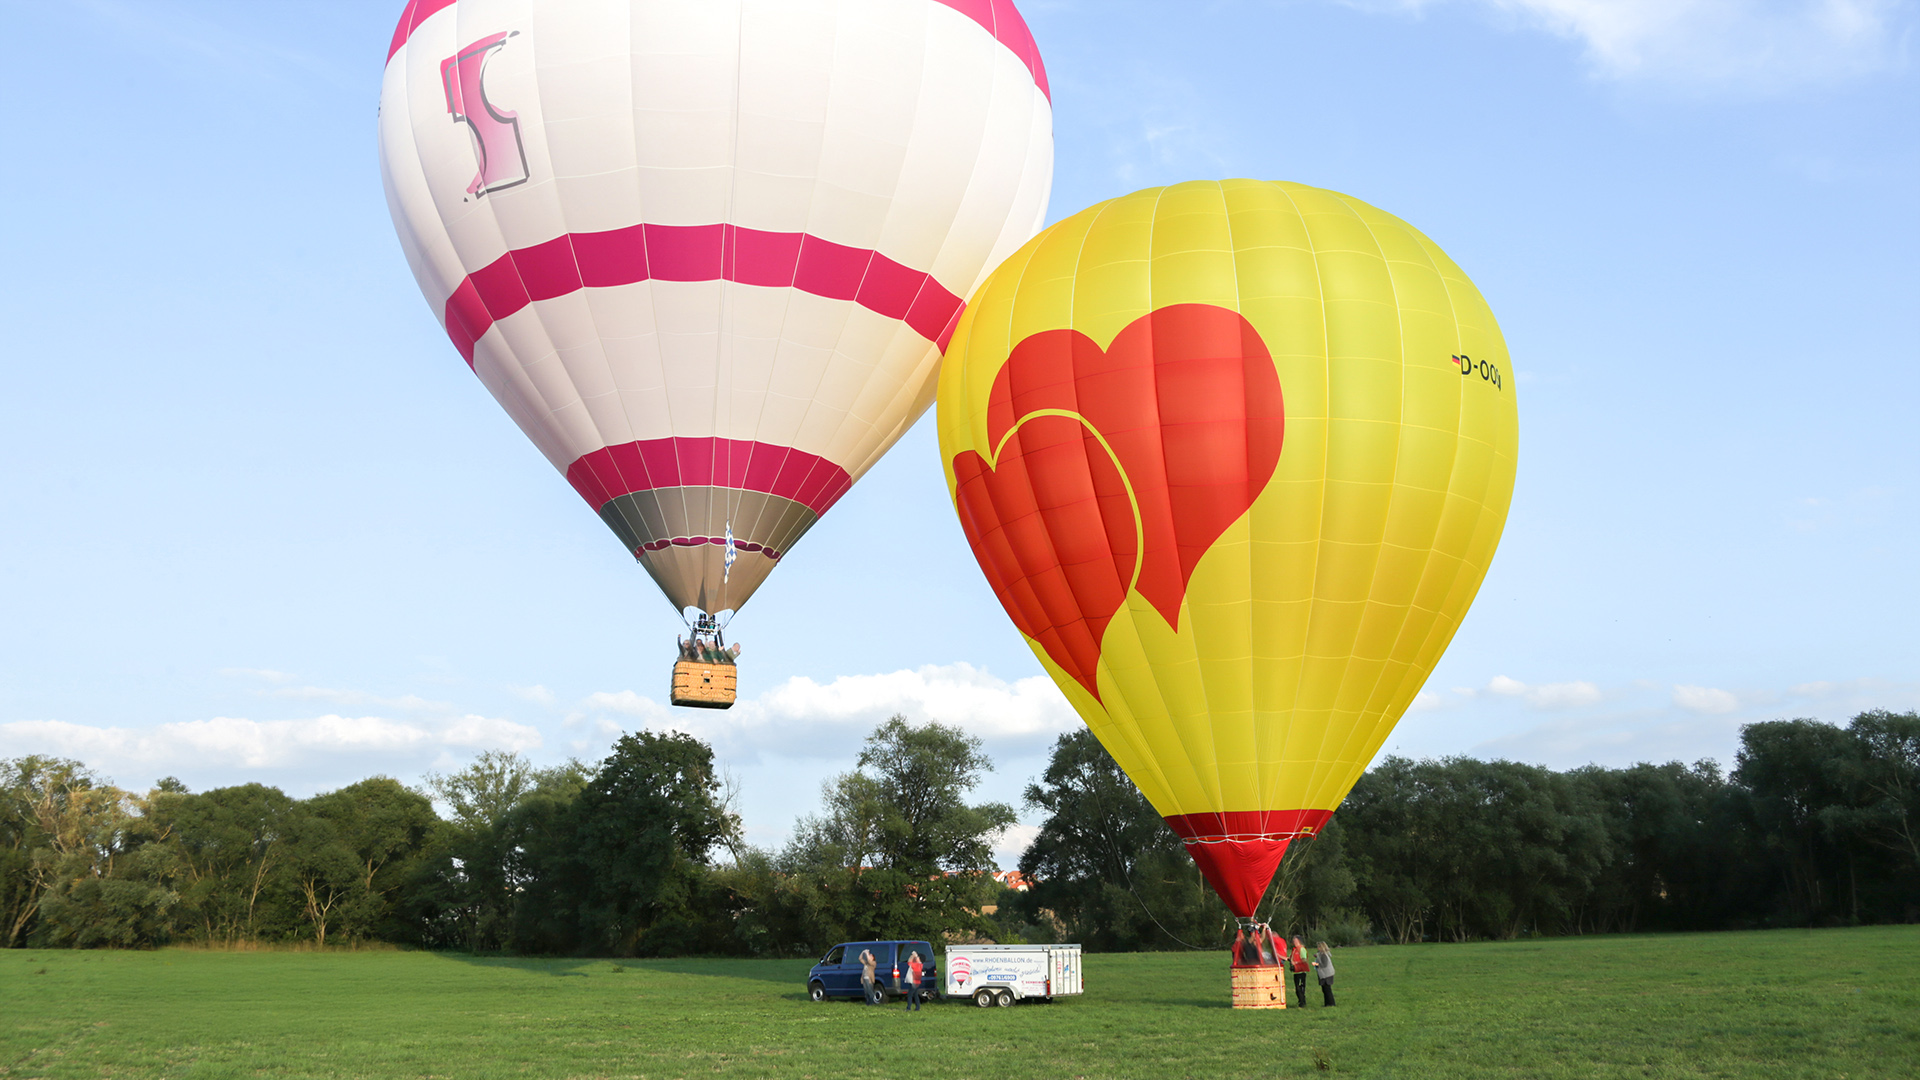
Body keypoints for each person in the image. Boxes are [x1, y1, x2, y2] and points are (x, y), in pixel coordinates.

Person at [1289, 935, 1311, 1008]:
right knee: (1297, 988)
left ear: (1299, 941)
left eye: (1295, 940)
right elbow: (1290, 958)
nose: (1293, 942)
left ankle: (1302, 1003)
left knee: (1300, 988)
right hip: (1296, 971)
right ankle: (1300, 1001)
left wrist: (1296, 963)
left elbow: (1304, 960)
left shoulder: (1301, 949)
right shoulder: (1294, 949)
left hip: (1301, 971)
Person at [1314, 941, 1336, 1007]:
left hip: (1326, 974)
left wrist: (1316, 964)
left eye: (1319, 946)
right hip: (1325, 974)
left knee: (1327, 989)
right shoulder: (1321, 954)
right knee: (1325, 989)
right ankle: (1327, 1003)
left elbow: (1324, 964)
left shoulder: (1323, 955)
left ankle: (1331, 1003)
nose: (1317, 948)